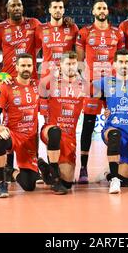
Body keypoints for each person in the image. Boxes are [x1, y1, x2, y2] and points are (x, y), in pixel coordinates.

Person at [0, 0, 41, 182]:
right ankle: (7, 168)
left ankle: (33, 163)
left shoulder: (34, 24)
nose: (16, 8)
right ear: (7, 9)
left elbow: (50, 33)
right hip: (8, 83)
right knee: (7, 122)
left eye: (19, 5)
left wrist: (65, 21)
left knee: (32, 122)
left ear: (23, 8)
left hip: (29, 82)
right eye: (13, 5)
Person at [76, 0, 125, 184]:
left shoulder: (117, 33)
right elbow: (80, 63)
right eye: (99, 8)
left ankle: (114, 168)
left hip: (112, 85)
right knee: (88, 127)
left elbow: (122, 60)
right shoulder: (85, 32)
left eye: (104, 8)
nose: (102, 10)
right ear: (93, 12)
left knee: (117, 125)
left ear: (108, 11)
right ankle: (83, 168)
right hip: (92, 85)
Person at [0, 53, 40, 198]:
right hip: (12, 134)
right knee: (0, 137)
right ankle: (0, 182)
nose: (26, 68)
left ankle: (10, 170)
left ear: (33, 67)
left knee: (29, 186)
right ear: (17, 67)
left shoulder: (38, 85)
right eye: (23, 65)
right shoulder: (6, 86)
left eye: (29, 66)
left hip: (30, 139)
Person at [97, 49, 128, 194]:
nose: (124, 65)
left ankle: (109, 172)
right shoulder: (106, 82)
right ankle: (113, 180)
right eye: (121, 62)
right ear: (114, 65)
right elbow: (86, 87)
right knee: (114, 136)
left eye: (126, 62)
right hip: (111, 130)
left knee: (127, 181)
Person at [37, 51, 86, 195]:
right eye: (67, 64)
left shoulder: (83, 85)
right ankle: (54, 175)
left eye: (73, 64)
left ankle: (45, 168)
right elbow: (34, 86)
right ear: (60, 65)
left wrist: (108, 110)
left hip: (69, 136)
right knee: (55, 132)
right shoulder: (50, 82)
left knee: (68, 183)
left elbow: (103, 95)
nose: (71, 67)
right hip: (50, 130)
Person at [35, 0, 79, 80]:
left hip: (66, 76)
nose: (58, 10)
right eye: (55, 7)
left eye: (60, 7)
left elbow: (80, 51)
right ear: (49, 10)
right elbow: (34, 51)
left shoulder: (72, 27)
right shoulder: (40, 28)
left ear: (64, 10)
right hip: (47, 76)